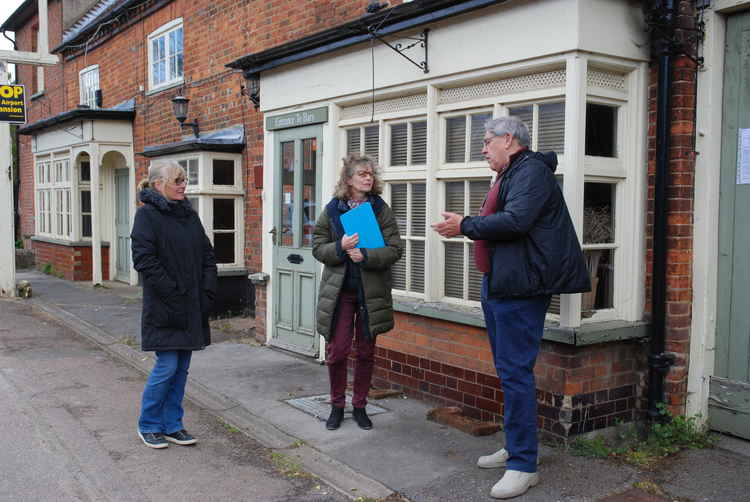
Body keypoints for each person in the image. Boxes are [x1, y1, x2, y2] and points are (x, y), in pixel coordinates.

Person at [432, 117, 589, 499]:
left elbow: (516, 222)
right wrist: (472, 225)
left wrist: (465, 225)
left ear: (509, 140)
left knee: (516, 372)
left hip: (520, 289)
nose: (483, 149)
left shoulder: (531, 171)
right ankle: (515, 446)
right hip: (501, 283)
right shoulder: (511, 174)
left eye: (487, 142)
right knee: (508, 371)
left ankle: (523, 465)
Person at [312, 154, 404, 431]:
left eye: (370, 174)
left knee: (366, 352)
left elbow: (395, 249)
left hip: (370, 293)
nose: (368, 178)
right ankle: (337, 406)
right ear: (349, 179)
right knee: (337, 351)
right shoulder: (332, 209)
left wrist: (365, 254)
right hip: (340, 294)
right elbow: (318, 246)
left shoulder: (380, 209)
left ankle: (360, 406)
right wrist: (339, 246)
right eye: (362, 174)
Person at [131, 161, 217, 449]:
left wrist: (207, 290)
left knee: (181, 368)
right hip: (165, 306)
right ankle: (149, 425)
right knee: (167, 366)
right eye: (177, 180)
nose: (183, 185)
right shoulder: (147, 216)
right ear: (158, 184)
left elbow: (207, 254)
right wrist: (173, 292)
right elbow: (144, 260)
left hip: (192, 305)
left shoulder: (189, 215)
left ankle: (172, 425)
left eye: (184, 180)